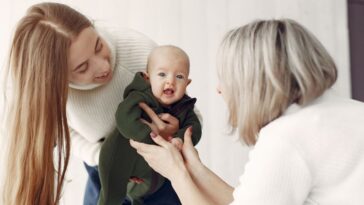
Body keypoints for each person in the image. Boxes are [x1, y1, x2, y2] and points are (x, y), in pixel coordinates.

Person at [130, 19, 364, 205]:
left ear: (251, 81)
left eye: (227, 78)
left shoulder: (286, 138)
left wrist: (176, 173)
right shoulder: (348, 110)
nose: (219, 89)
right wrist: (195, 169)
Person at [2, 2, 182, 205]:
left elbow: (188, 109)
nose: (103, 66)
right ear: (58, 78)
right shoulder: (49, 90)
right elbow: (63, 132)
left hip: (157, 170)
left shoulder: (141, 53)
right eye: (82, 67)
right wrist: (100, 158)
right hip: (101, 170)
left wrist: (177, 129)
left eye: (98, 46)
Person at [98, 45, 202, 205]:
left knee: (147, 195)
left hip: (154, 173)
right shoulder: (139, 97)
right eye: (162, 74)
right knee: (111, 197)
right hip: (120, 159)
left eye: (179, 77)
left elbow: (193, 128)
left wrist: (179, 139)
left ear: (187, 83)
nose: (170, 81)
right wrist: (156, 138)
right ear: (147, 78)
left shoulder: (185, 107)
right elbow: (124, 118)